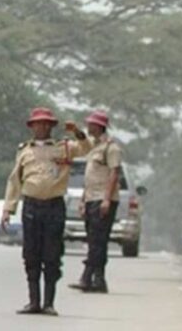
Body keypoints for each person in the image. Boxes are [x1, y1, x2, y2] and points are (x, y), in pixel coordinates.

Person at [1, 107, 91, 316]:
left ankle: (49, 302)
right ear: (32, 127)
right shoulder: (24, 151)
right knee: (31, 255)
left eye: (45, 124)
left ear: (51, 126)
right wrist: (8, 209)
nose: (41, 127)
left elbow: (87, 148)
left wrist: (77, 131)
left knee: (51, 255)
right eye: (37, 124)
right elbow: (14, 181)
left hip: (53, 206)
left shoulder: (65, 147)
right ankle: (33, 301)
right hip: (31, 206)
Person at [69, 111, 123, 294]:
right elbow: (89, 177)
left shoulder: (111, 148)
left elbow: (114, 174)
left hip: (103, 199)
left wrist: (107, 199)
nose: (88, 127)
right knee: (94, 240)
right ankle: (98, 279)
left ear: (99, 126)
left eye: (91, 124)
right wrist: (83, 200)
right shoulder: (94, 147)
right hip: (92, 197)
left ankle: (87, 277)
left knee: (98, 240)